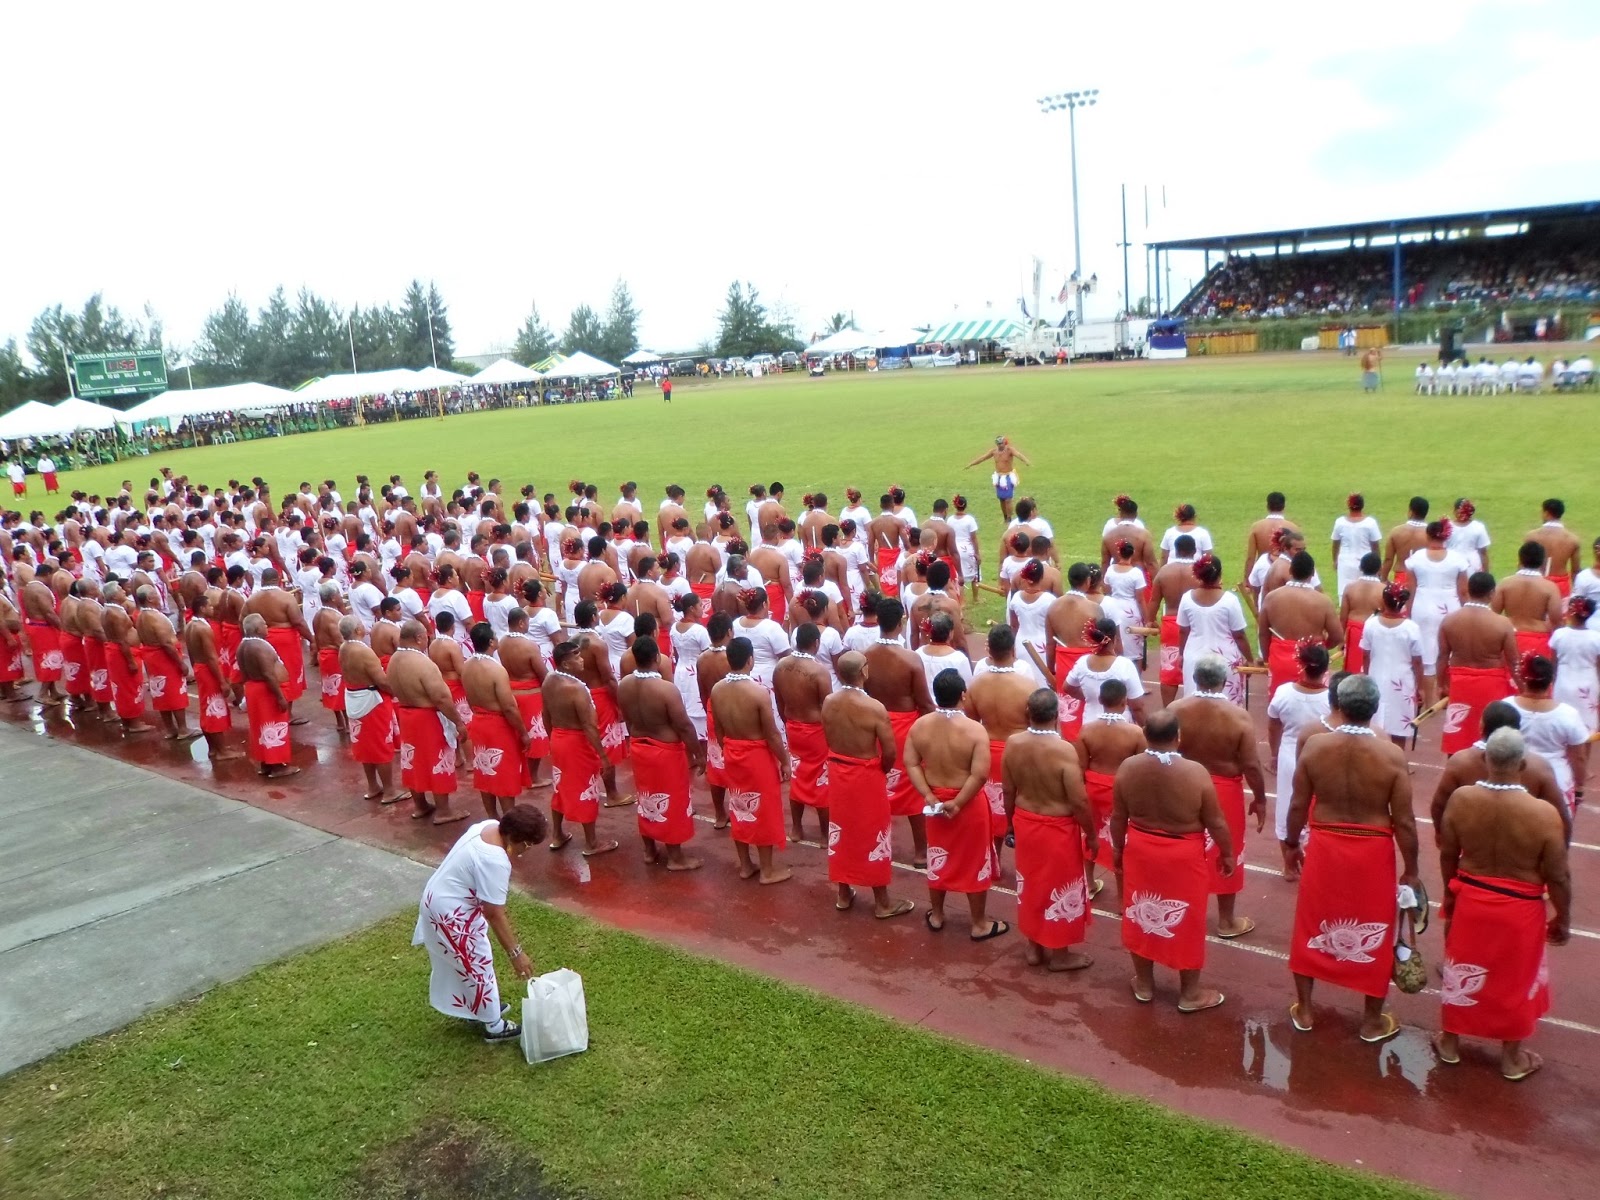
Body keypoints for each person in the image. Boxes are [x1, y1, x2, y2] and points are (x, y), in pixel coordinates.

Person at [1285, 675, 1419, 1042]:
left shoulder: (1315, 748)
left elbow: (1298, 804)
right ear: (1375, 709)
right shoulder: (1391, 754)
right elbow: (1404, 821)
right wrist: (1412, 870)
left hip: (1326, 846)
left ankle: (1306, 1009)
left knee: (1313, 923)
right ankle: (1372, 1020)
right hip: (1372, 851)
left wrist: (1291, 843)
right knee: (1376, 925)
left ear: (1340, 707)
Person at [1435, 728, 1570, 1080]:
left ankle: (1450, 1043)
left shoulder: (1462, 800)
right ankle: (1511, 1058)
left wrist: (1451, 893)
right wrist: (1563, 917)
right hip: (1520, 906)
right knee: (1514, 979)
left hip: (1473, 898)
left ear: (1485, 760)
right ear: (1522, 764)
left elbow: (1448, 853)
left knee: (1461, 970)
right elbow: (1557, 876)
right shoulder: (1543, 814)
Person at [1112, 710, 1231, 1011]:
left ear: (1145, 736)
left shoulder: (1128, 767)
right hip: (1181, 856)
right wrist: (1227, 852)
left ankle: (1143, 983)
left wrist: (1116, 850)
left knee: (1140, 913)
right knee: (1188, 920)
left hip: (1140, 849)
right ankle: (1189, 994)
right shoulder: (1195, 773)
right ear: (1178, 738)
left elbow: (1118, 817)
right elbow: (1215, 821)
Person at [412, 805, 547, 1045]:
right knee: (477, 963)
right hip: (451, 913)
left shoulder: (487, 826)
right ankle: (494, 1026)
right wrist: (516, 954)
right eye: (528, 845)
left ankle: (481, 1008)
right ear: (521, 841)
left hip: (440, 900)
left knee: (467, 963)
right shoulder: (495, 860)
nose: (525, 851)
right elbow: (494, 913)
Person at [1170, 655, 1266, 938]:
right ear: (1224, 682)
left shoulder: (1175, 709)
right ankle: (1226, 920)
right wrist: (1260, 798)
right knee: (1228, 848)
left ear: (1196, 679)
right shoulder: (1238, 717)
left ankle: (1184, 910)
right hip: (1223, 790)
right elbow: (1251, 764)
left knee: (1185, 844)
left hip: (1185, 784)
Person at [906, 669, 1004, 938]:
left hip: (936, 802)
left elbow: (911, 763)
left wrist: (928, 795)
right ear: (963, 695)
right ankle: (978, 923)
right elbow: (980, 774)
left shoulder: (920, 726)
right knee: (975, 860)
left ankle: (937, 915)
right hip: (967, 802)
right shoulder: (975, 730)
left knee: (938, 856)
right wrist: (959, 803)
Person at [1004, 689, 1095, 971]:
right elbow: (1078, 800)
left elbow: (1008, 790)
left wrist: (1010, 823)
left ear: (1028, 714)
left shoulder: (1013, 743)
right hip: (1057, 828)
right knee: (1060, 887)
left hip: (1026, 820)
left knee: (1030, 884)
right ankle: (1059, 954)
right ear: (1056, 716)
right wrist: (1091, 834)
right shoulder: (1064, 749)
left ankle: (1034, 947)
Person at [821, 651, 916, 919]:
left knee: (841, 829)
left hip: (839, 771)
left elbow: (829, 736)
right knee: (874, 834)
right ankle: (882, 902)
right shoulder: (874, 708)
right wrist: (878, 771)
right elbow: (889, 753)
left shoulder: (829, 702)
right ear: (864, 672)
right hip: (865, 774)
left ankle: (843, 893)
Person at [617, 636, 704, 870]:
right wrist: (698, 755)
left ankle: (649, 849)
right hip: (664, 752)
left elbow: (626, 716)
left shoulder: (624, 684)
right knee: (671, 800)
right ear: (657, 657)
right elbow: (684, 726)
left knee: (646, 798)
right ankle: (676, 858)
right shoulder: (666, 689)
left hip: (639, 746)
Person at [1431, 701, 1572, 844]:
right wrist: (1558, 854)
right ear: (1518, 731)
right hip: (1522, 852)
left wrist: (1441, 836)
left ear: (1482, 727)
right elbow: (1561, 819)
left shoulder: (1460, 762)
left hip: (1471, 851)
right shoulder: (1539, 767)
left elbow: (1439, 805)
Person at [710, 636, 791, 883]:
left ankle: (746, 865)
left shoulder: (717, 690)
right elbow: (772, 734)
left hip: (732, 753)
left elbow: (720, 731)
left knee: (739, 808)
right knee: (763, 810)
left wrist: (729, 751)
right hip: (756, 757)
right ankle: (767, 870)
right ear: (750, 660)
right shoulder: (758, 692)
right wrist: (785, 760)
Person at [863, 597, 932, 865]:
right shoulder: (910, 659)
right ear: (901, 621)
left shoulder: (865, 656)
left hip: (875, 727)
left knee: (876, 787)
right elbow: (925, 704)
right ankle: (921, 852)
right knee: (914, 790)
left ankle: (875, 844)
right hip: (904, 731)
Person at [543, 640, 620, 857]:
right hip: (576, 743)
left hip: (558, 739)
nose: (581, 659)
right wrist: (603, 756)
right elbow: (588, 725)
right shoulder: (577, 689)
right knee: (587, 790)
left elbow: (545, 713)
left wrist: (552, 738)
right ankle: (591, 843)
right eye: (576, 657)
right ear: (566, 664)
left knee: (560, 787)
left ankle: (557, 835)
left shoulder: (549, 680)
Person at [389, 620, 469, 824]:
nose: (428, 638)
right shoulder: (422, 663)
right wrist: (458, 722)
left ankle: (420, 805)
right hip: (426, 717)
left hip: (407, 714)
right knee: (437, 760)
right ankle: (443, 811)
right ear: (418, 638)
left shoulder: (394, 659)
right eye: (426, 635)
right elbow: (441, 697)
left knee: (413, 760)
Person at [1265, 641, 1330, 877]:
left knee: (1288, 804)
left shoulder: (1283, 693)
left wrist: (1273, 753)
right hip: (1322, 756)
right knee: (1319, 805)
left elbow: (1273, 725)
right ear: (1326, 668)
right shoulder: (1332, 698)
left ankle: (1289, 865)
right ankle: (1315, 860)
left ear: (1300, 665)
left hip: (1290, 755)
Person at [1437, 572, 1518, 755]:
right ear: (1491, 593)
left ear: (1469, 590)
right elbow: (1514, 662)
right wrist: (1523, 689)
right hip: (1491, 685)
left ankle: (1456, 773)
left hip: (1459, 684)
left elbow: (1442, 657)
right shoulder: (1502, 623)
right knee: (1493, 733)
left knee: (1458, 735)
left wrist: (1441, 685)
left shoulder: (1449, 620)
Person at [1501, 653, 1590, 816]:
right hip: (1555, 778)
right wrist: (1579, 786)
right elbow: (1579, 757)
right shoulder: (1569, 714)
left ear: (1524, 679)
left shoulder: (1504, 706)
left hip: (1514, 777)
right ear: (1551, 680)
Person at [463, 621, 531, 819]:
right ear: (491, 641)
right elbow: (509, 707)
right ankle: (509, 820)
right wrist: (523, 733)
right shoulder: (496, 670)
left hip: (479, 721)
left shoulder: (467, 666)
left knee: (486, 772)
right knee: (504, 774)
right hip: (497, 726)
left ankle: (492, 817)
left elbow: (468, 698)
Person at [773, 622, 832, 842]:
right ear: (816, 643)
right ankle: (826, 835)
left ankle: (796, 829)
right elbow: (827, 708)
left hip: (793, 727)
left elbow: (779, 701)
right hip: (815, 731)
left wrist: (788, 722)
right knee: (821, 782)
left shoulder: (781, 666)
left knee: (797, 778)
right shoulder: (819, 672)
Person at [338, 615, 404, 804]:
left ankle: (373, 786)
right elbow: (381, 680)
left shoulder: (344, 648)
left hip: (354, 696)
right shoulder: (363, 651)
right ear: (358, 630)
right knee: (381, 744)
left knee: (365, 745)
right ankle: (389, 790)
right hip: (372, 700)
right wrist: (395, 693)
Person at [1258, 551, 1341, 694]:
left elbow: (1263, 634)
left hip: (1280, 662)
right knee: (1316, 707)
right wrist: (1320, 648)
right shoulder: (1323, 601)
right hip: (1313, 664)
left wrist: (1268, 660)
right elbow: (1337, 637)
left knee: (1280, 707)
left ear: (1290, 570)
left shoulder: (1271, 598)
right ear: (1313, 573)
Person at [1176, 554, 1252, 704]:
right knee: (1228, 704)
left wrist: (1180, 654)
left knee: (1194, 702)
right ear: (1219, 573)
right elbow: (1239, 635)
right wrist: (1249, 658)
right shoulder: (1230, 600)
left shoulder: (1186, 598)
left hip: (1194, 657)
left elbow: (1183, 630)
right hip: (1226, 659)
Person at [236, 613, 299, 779]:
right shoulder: (259, 646)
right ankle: (277, 767)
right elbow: (268, 673)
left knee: (260, 727)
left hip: (254, 690)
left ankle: (266, 764)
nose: (267, 627)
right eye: (264, 624)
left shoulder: (243, 645)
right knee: (272, 726)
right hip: (266, 692)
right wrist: (279, 696)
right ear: (257, 628)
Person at [1362, 583, 1424, 745]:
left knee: (1372, 730)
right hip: (1403, 684)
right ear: (1402, 603)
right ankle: (1397, 764)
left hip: (1375, 680)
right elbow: (1417, 662)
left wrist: (1367, 677)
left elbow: (1366, 656)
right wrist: (1420, 687)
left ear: (1384, 600)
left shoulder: (1371, 624)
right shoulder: (1412, 628)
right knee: (1399, 733)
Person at [184, 591, 241, 761]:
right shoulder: (203, 628)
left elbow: (193, 654)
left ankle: (214, 749)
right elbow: (211, 657)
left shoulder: (190, 625)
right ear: (202, 608)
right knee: (215, 709)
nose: (212, 608)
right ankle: (222, 751)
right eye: (209, 606)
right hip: (208, 670)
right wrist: (222, 681)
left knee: (207, 708)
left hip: (200, 669)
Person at [135, 585, 195, 741]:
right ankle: (182, 729)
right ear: (149, 598)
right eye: (155, 594)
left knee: (159, 692)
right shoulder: (154, 617)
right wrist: (180, 663)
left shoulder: (141, 616)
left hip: (152, 658)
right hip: (164, 659)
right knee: (174, 692)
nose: (159, 596)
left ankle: (170, 729)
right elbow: (166, 643)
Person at [1146, 533, 1199, 705]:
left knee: (1169, 670)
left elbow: (1154, 600)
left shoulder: (1164, 572)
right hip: (1194, 624)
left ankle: (1167, 709)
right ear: (1194, 551)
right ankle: (1194, 707)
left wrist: (1150, 620)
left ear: (1175, 551)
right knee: (1195, 664)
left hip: (1171, 622)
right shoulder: (1199, 572)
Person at [1493, 542, 1564, 662]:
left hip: (1510, 638)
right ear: (1543, 562)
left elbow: (1493, 615)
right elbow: (1557, 621)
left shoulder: (1505, 583)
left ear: (1520, 560)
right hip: (1538, 639)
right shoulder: (1550, 587)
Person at [1550, 596, 1600, 733]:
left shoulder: (1559, 635)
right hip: (1589, 684)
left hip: (1563, 682)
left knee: (1561, 722)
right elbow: (1598, 667)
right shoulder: (1596, 638)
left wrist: (1553, 682)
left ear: (1571, 612)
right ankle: (1585, 754)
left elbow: (1553, 664)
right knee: (1587, 726)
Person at [966, 435, 1031, 523]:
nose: (1000, 445)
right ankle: (1005, 517)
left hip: (1008, 476)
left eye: (1001, 443)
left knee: (1008, 499)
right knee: (1001, 499)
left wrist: (1026, 461)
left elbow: (1018, 454)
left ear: (1004, 442)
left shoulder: (1009, 450)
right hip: (999, 477)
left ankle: (1009, 518)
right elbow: (983, 458)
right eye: (998, 444)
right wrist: (971, 464)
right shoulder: (994, 452)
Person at [1524, 500, 1581, 597]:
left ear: (1546, 513)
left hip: (1536, 582)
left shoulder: (1531, 536)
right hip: (1560, 585)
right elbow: (1575, 571)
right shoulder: (1573, 540)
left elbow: (1523, 564)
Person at [1331, 494, 1382, 597]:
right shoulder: (1371, 523)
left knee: (1345, 591)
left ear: (1348, 506)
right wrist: (1378, 564)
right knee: (1365, 592)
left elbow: (1335, 544)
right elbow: (1375, 547)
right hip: (1366, 562)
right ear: (1362, 505)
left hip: (1345, 562)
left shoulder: (1340, 522)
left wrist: (1335, 560)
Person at [1380, 496, 1431, 587]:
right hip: (1422, 579)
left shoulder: (1396, 531)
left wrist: (1383, 579)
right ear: (1426, 513)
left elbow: (1388, 559)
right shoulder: (1431, 534)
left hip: (1401, 578)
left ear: (1410, 511)